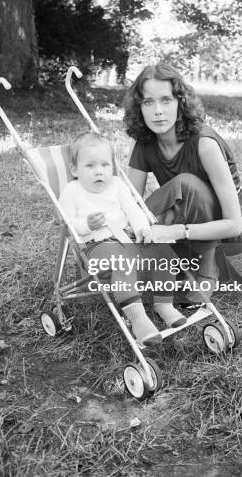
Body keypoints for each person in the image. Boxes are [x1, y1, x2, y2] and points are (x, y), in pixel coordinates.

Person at [123, 63, 242, 305]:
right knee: (136, 222)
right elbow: (130, 200)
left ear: (180, 103)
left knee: (186, 185)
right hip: (190, 219)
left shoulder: (204, 144)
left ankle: (209, 270)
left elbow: (234, 225)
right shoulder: (144, 144)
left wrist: (174, 231)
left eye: (166, 100)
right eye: (148, 102)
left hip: (237, 228)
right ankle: (133, 250)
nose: (158, 111)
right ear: (139, 108)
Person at [59, 131, 188, 346]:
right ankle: (138, 319)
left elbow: (133, 210)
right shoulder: (72, 191)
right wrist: (86, 225)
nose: (99, 171)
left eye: (105, 165)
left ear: (113, 167)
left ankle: (164, 305)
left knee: (165, 254)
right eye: (90, 166)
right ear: (74, 170)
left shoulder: (117, 185)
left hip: (128, 238)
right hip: (96, 246)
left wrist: (141, 229)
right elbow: (68, 224)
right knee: (122, 262)